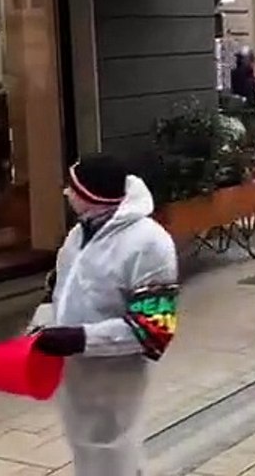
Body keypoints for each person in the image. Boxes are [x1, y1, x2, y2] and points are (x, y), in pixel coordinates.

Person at [28, 153, 179, 475]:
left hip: (115, 378)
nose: (66, 193)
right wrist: (40, 328)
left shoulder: (149, 243)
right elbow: (58, 288)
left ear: (91, 195)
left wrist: (79, 338)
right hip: (75, 375)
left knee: (114, 456)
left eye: (73, 188)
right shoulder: (78, 234)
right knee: (87, 454)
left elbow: (154, 329)